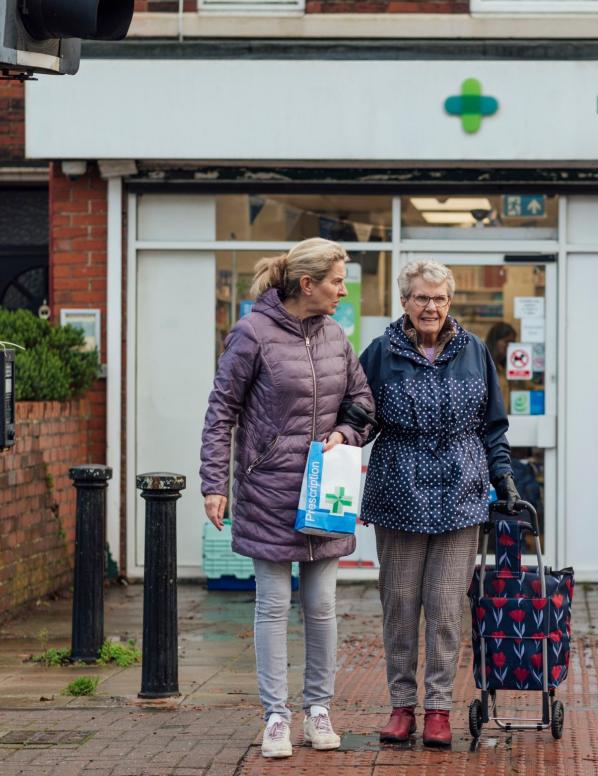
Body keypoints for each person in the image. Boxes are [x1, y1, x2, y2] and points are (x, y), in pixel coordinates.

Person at [199, 237, 374, 759]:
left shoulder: (336, 336)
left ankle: (318, 709)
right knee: (274, 606)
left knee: (321, 607)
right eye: (337, 281)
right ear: (307, 284)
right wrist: (214, 483)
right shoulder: (252, 333)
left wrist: (344, 434)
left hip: (327, 494)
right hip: (270, 490)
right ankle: (275, 715)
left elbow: (361, 400)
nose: (342, 291)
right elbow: (220, 411)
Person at [357, 259, 520, 749]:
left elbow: (492, 425)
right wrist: (340, 439)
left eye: (439, 299)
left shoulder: (474, 352)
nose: (431, 307)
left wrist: (504, 477)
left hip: (460, 491)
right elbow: (360, 414)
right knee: (400, 605)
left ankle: (439, 709)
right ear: (404, 301)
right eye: (422, 298)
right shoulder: (381, 352)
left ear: (450, 303)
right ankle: (401, 707)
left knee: (447, 608)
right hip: (397, 489)